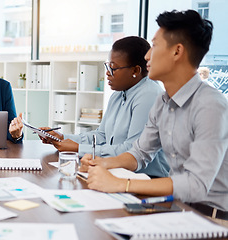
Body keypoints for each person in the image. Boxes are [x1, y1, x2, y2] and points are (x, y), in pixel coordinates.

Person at [81, 10, 228, 224]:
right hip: (178, 210)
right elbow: (139, 154)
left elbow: (195, 185)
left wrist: (121, 184)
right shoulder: (163, 102)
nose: (148, 55)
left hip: (212, 221)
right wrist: (102, 164)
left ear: (177, 51)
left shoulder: (210, 106)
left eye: (155, 45)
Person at [39, 36, 170, 178]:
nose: (108, 73)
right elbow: (102, 135)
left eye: (113, 68)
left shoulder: (149, 95)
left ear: (136, 71)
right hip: (119, 174)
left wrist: (78, 148)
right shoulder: (118, 94)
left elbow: (131, 151)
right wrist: (62, 138)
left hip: (148, 180)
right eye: (108, 66)